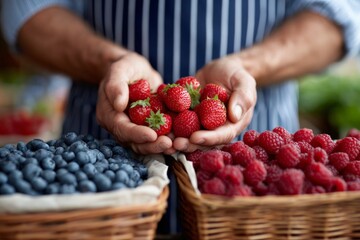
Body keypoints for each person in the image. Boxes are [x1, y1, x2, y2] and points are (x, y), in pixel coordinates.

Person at [2, 0, 360, 235]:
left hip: (258, 176)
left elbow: (339, 17)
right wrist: (109, 63)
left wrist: (247, 67)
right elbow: (26, 11)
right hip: (100, 182)